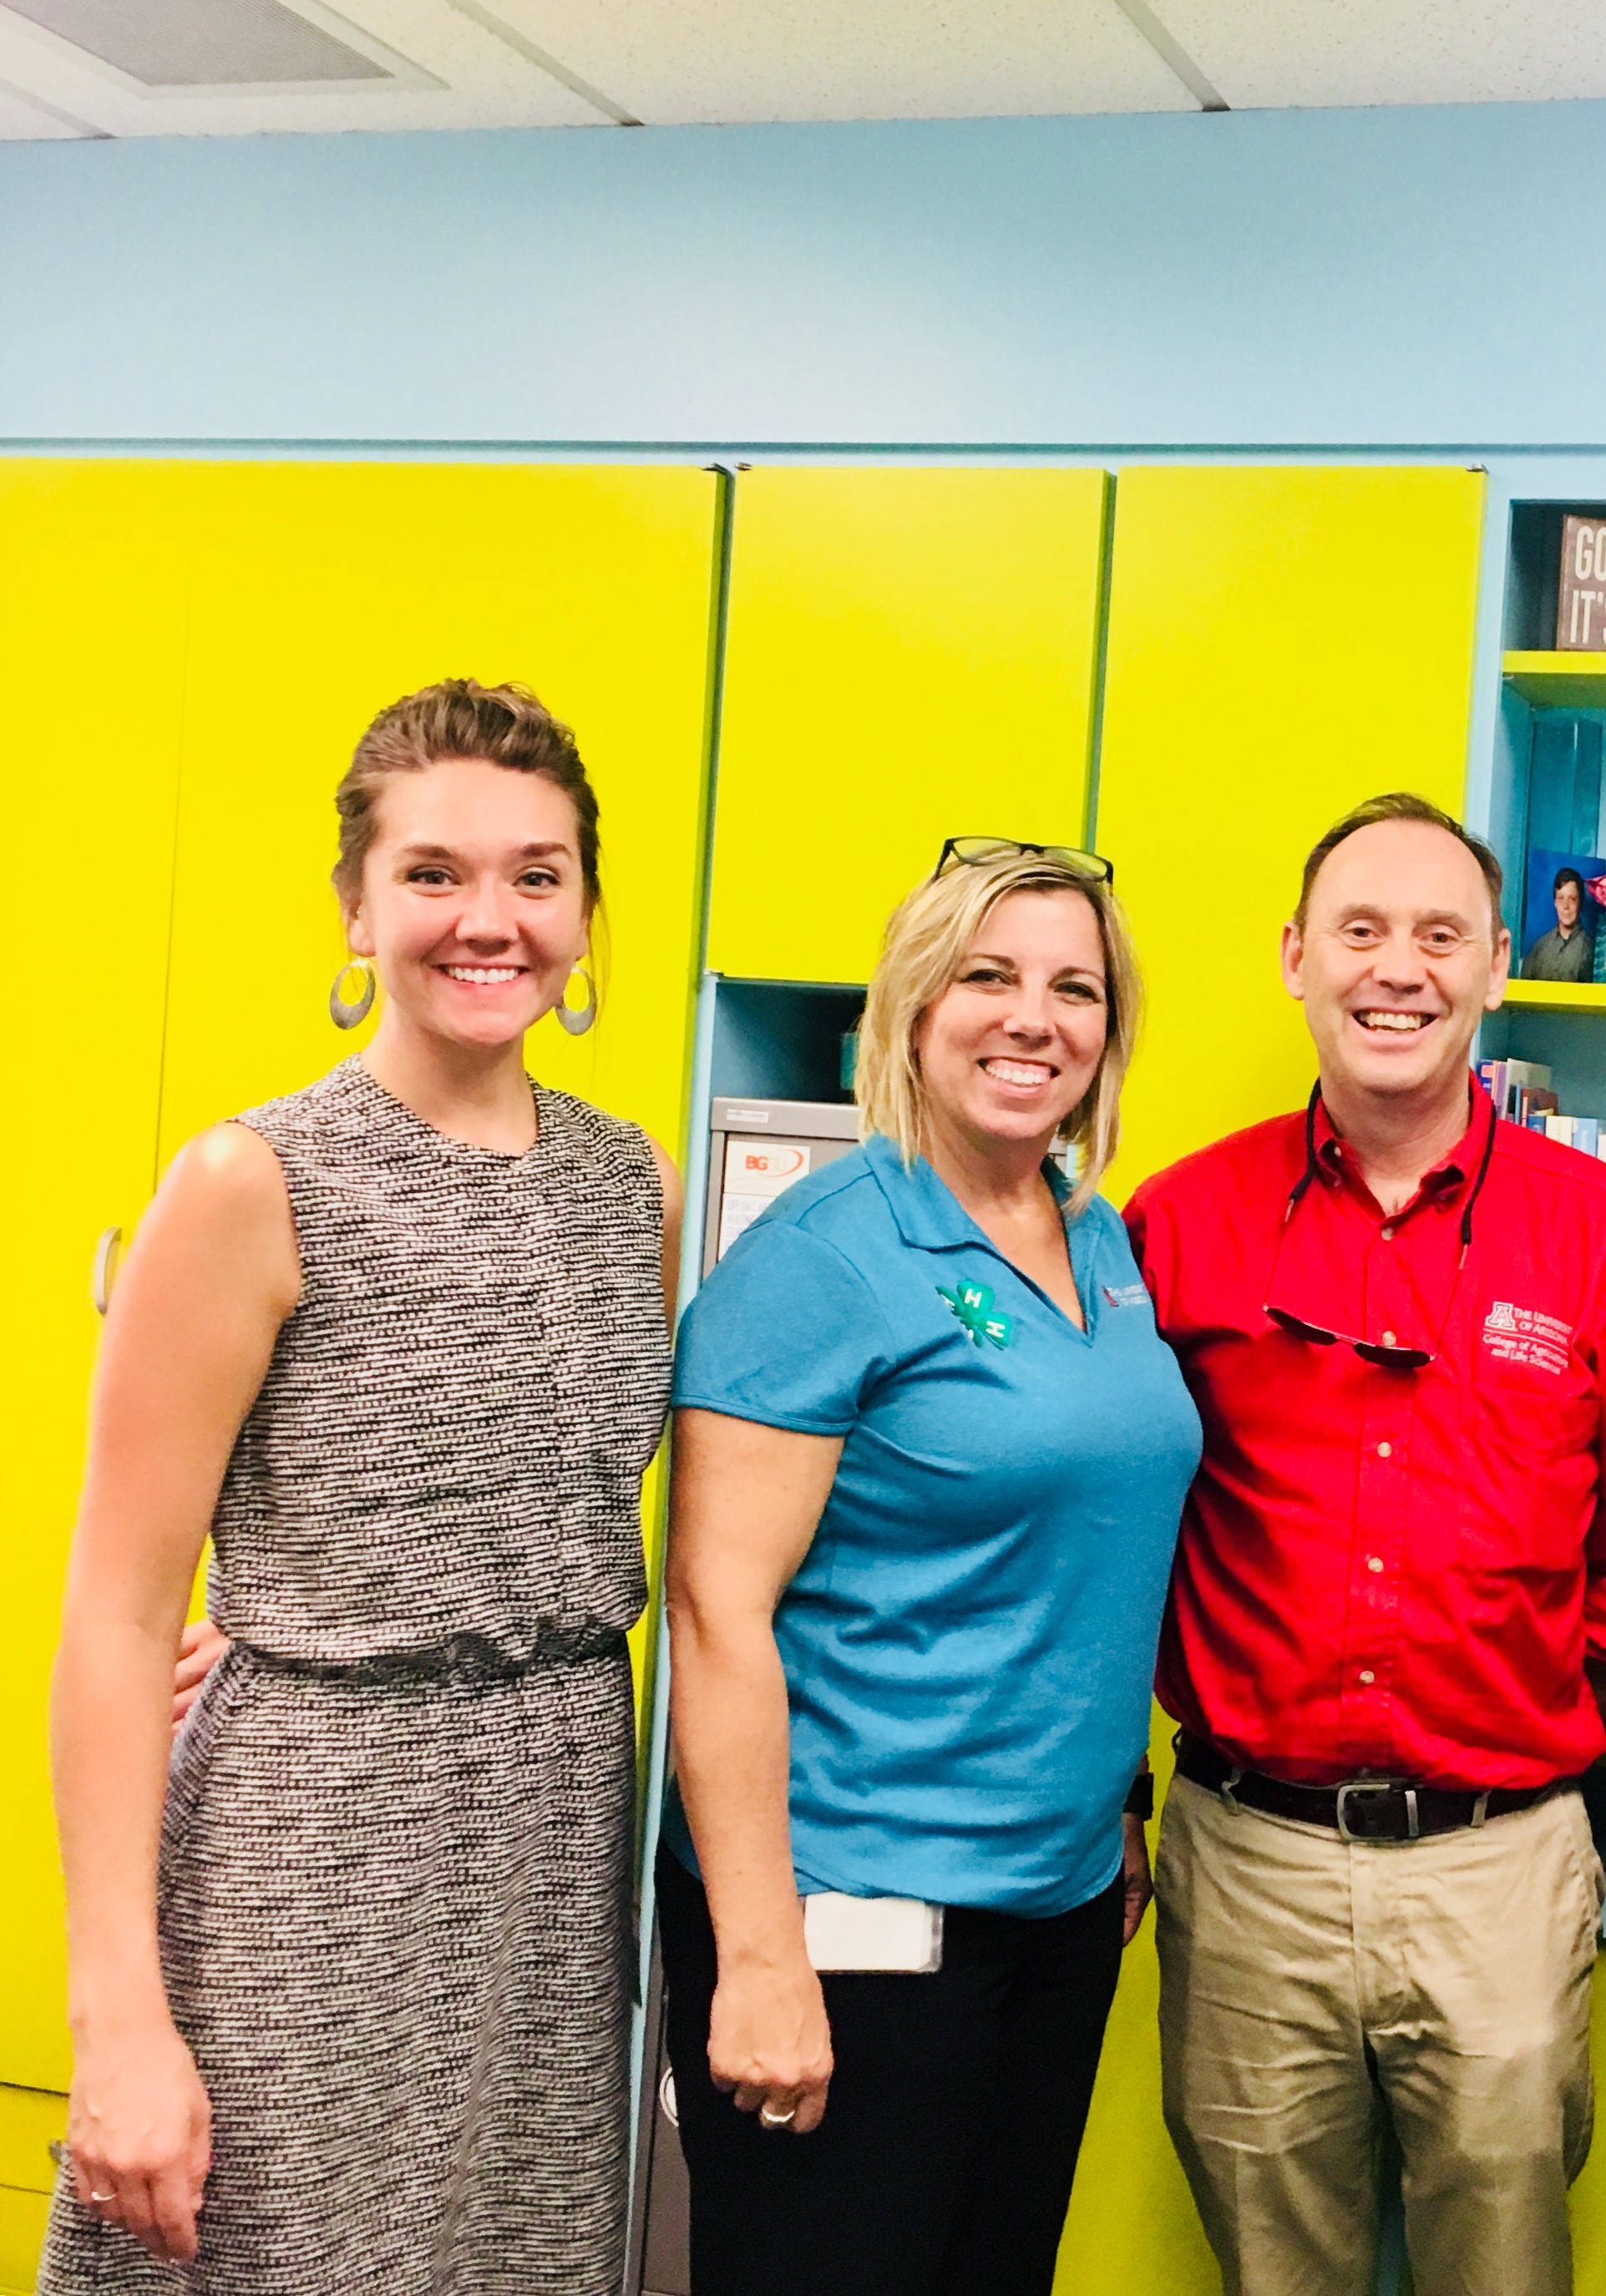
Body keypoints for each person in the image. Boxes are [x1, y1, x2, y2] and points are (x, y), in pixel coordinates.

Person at [46, 680, 677, 2291]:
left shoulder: (631, 1185)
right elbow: (120, 1617)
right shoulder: (253, 1180)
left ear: (588, 912)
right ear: (355, 906)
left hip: (549, 1834)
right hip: (314, 1842)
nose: (491, 920)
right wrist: (117, 2020)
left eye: (537, 876)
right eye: (434, 873)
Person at [1124, 791, 1606, 2296]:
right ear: (1293, 959)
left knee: (1502, 2268)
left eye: (1439, 934)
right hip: (1244, 1853)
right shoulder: (1178, 1223)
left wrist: (1516, 1707)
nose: (1399, 970)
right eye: (1361, 931)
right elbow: (1120, 1526)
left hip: (1497, 1866)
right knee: (1272, 2271)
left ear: (1496, 965)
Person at [658, 838, 1200, 2296]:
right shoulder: (822, 1257)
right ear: (912, 1006)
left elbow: (1081, 1548)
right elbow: (720, 1616)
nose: (1034, 1019)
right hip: (850, 1913)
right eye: (989, 976)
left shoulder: (1097, 1240)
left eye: (1074, 989)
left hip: (1062, 1905)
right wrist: (759, 1954)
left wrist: (1115, 1799)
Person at [1523, 865, 1596, 981]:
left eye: (1572, 899)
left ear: (1580, 903)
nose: (1565, 906)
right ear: (1555, 903)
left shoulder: (1592, 952)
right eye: (1560, 898)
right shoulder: (1539, 948)